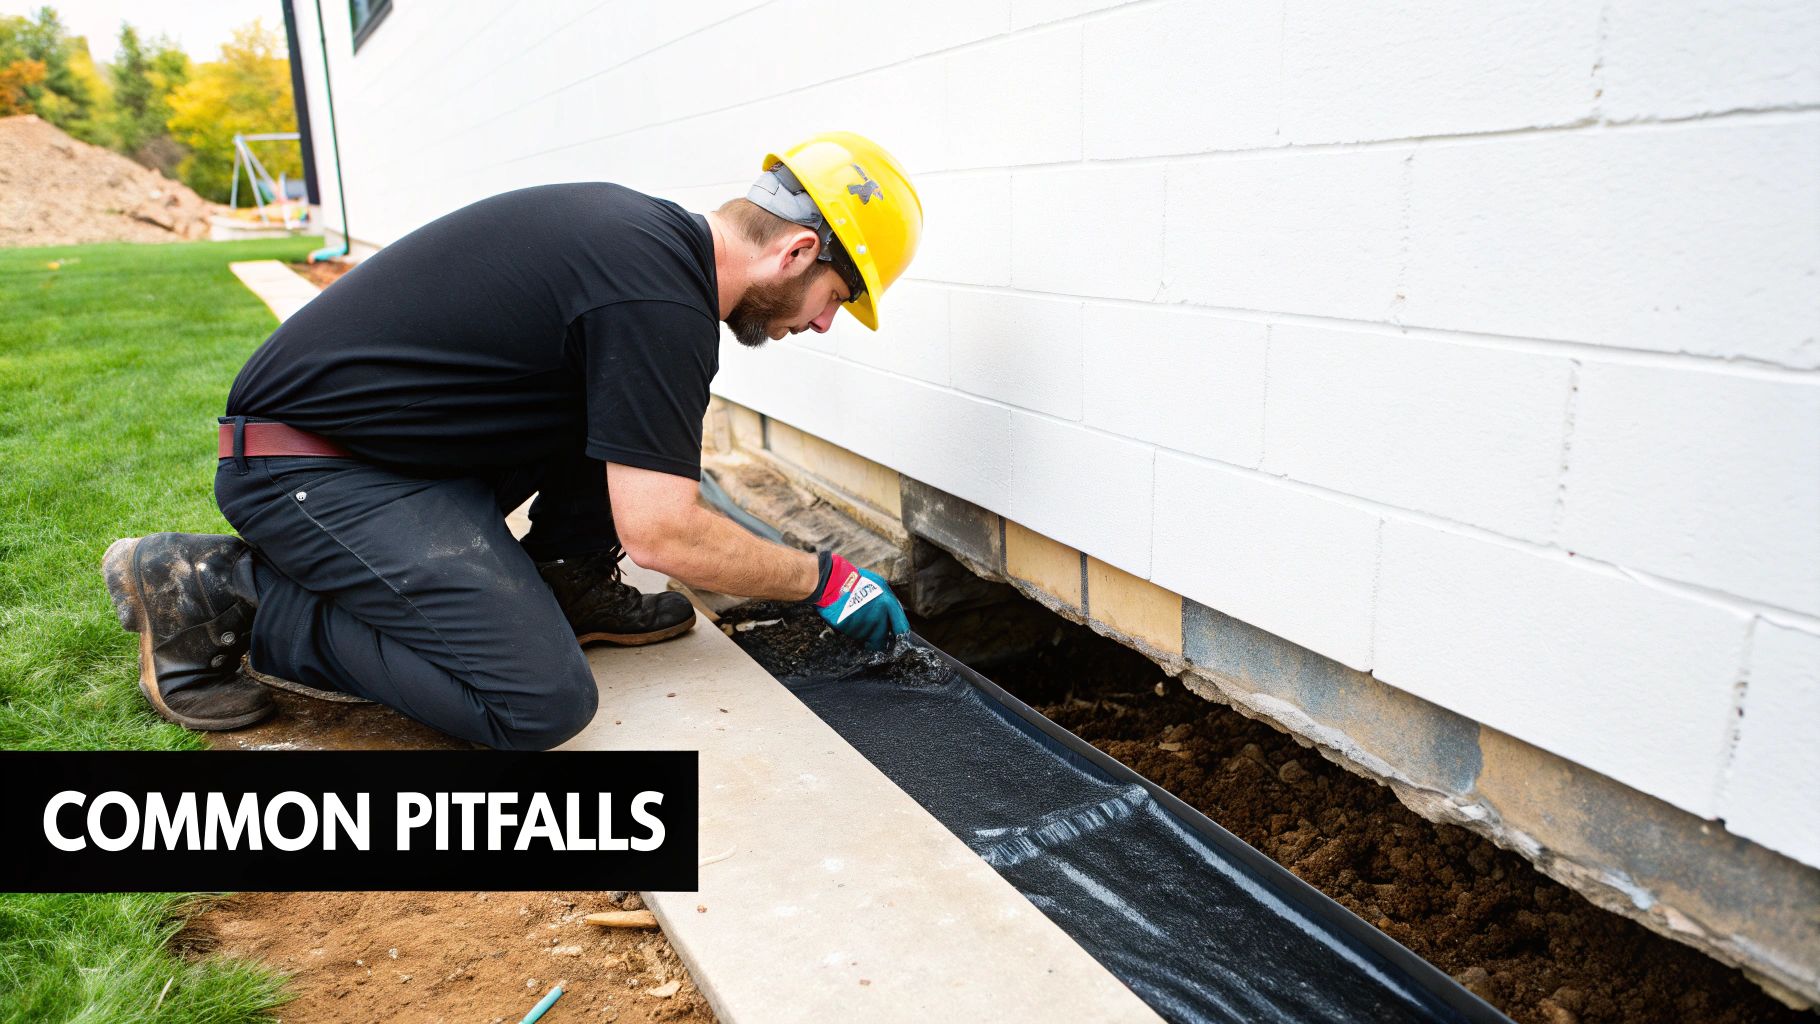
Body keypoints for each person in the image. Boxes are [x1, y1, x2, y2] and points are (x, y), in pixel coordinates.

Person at [101, 131, 921, 750]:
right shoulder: (655, 297)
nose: (820, 321)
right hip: (310, 468)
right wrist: (824, 580)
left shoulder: (644, 252)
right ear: (798, 249)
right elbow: (663, 532)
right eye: (835, 296)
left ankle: (564, 582)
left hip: (397, 453)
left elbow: (627, 460)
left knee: (625, 425)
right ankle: (225, 590)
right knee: (538, 702)